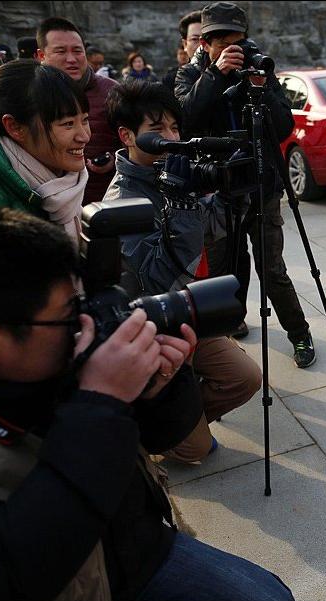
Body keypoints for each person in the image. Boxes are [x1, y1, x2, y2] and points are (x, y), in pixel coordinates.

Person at [0, 207, 296, 601]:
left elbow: (164, 437)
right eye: (69, 315)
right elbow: (10, 576)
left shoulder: (50, 355)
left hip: (133, 549)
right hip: (64, 592)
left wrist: (158, 388)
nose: (87, 323)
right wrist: (100, 401)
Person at [104, 80, 261, 463]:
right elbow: (156, 280)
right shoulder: (122, 200)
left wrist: (232, 195)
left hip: (192, 311)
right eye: (157, 131)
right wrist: (181, 206)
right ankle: (153, 432)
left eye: (175, 128)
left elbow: (213, 228)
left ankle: (182, 420)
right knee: (197, 451)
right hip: (157, 325)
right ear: (127, 135)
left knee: (245, 377)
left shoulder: (173, 173)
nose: (172, 138)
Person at [175, 1, 316, 367]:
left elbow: (284, 126)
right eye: (220, 41)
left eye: (236, 41)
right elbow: (186, 121)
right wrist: (217, 75)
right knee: (224, 271)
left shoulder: (259, 71)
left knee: (272, 270)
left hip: (262, 188)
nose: (230, 48)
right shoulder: (189, 76)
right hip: (217, 193)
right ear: (205, 43)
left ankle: (299, 334)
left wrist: (261, 84)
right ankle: (224, 338)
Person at [0, 60, 89, 244]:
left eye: (84, 120)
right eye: (68, 124)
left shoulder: (63, 178)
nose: (84, 136)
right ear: (15, 127)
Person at [37, 17, 121, 204]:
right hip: (46, 203)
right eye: (60, 51)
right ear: (41, 56)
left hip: (100, 204)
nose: (71, 59)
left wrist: (114, 159)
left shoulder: (113, 92)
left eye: (77, 51)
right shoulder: (30, 94)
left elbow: (134, 143)